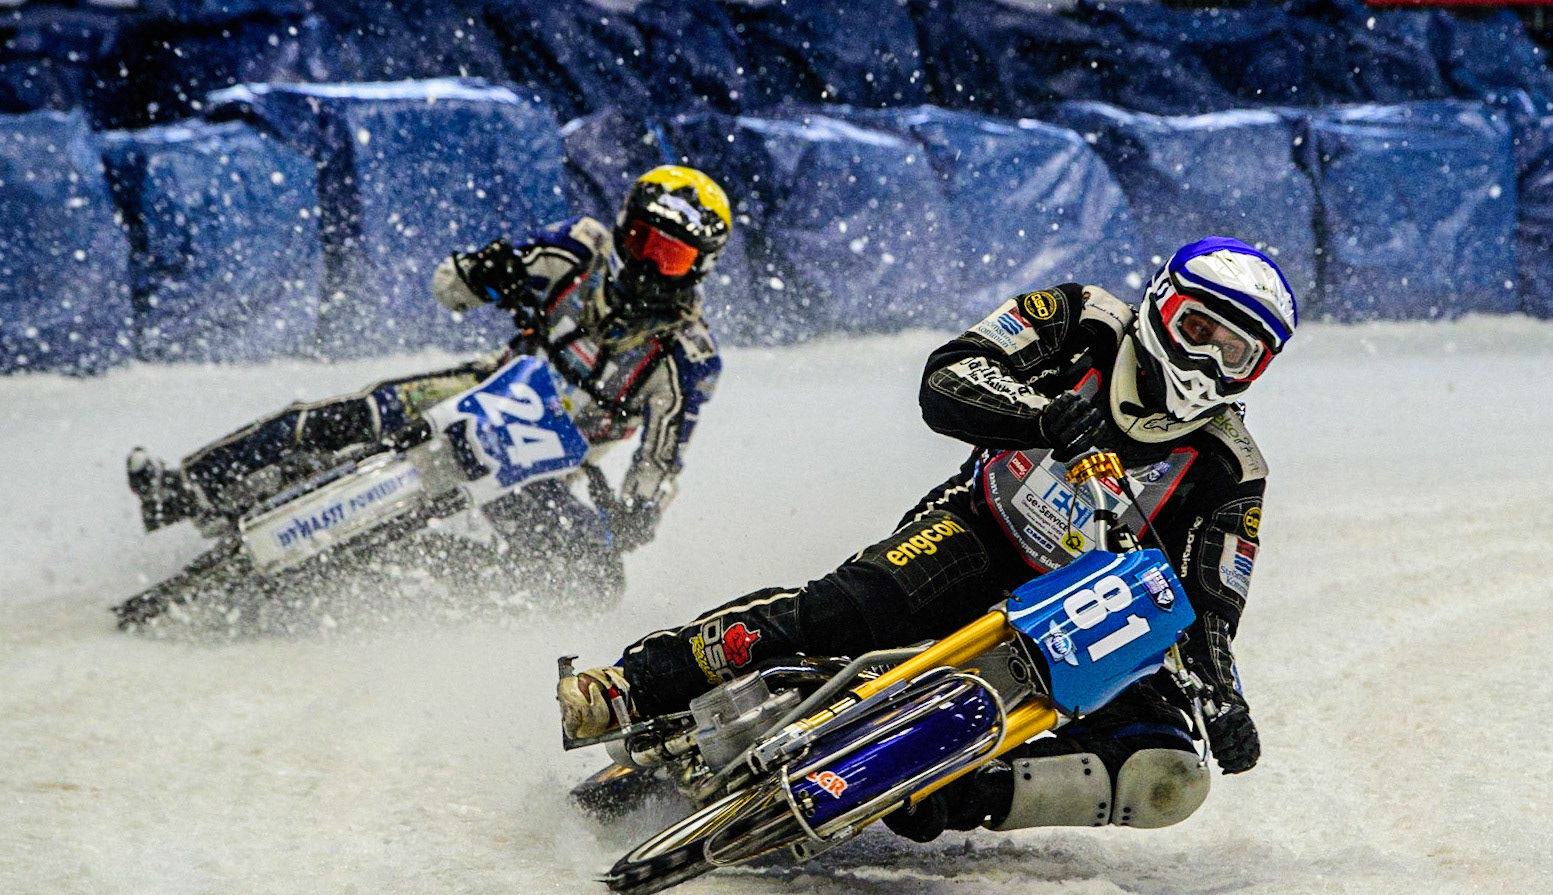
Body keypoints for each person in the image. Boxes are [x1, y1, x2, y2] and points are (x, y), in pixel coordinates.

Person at [560, 236, 1294, 839]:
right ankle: (634, 685)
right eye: (1199, 331)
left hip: (1088, 616)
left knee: (1164, 774)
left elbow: (1208, 613)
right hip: (980, 526)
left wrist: (1225, 704)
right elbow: (947, 376)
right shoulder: (1078, 318)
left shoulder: (1234, 468)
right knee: (843, 611)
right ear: (1160, 304)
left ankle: (942, 790)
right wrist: (1040, 417)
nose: (1205, 365)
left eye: (1236, 354)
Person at [126, 165, 732, 567]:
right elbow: (449, 286)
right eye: (648, 246)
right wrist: (486, 270)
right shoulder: (578, 245)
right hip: (484, 384)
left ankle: (421, 595)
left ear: (699, 268)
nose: (652, 268)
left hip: (546, 461)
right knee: (350, 414)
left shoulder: (686, 356)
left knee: (588, 575)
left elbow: (661, 455)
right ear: (625, 229)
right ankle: (183, 487)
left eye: (672, 258)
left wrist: (634, 514)